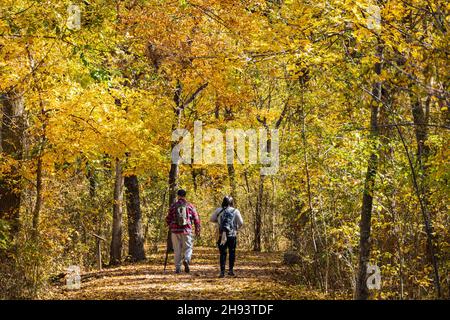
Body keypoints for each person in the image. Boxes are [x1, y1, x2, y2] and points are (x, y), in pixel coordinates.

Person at [166, 189, 201, 274]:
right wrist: (197, 229)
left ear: (178, 196)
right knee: (188, 247)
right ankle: (186, 259)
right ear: (185, 195)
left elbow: (168, 219)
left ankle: (178, 268)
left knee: (177, 250)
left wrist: (170, 225)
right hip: (187, 230)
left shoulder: (173, 206)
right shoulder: (190, 206)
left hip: (175, 231)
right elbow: (196, 219)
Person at [210, 196, 243, 278]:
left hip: (221, 235)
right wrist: (236, 228)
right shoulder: (235, 211)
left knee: (222, 253)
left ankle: (222, 272)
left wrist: (218, 222)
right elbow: (241, 222)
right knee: (232, 252)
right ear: (232, 202)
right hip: (232, 234)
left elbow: (211, 219)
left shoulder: (218, 210)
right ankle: (231, 270)